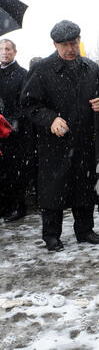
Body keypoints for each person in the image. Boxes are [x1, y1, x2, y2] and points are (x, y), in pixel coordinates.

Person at [21, 20, 99, 252]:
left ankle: (85, 230)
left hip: (85, 140)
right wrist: (50, 119)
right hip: (55, 143)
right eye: (65, 45)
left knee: (85, 186)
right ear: (54, 44)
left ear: (80, 41)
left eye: (74, 43)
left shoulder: (91, 68)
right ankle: (51, 235)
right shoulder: (41, 70)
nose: (71, 49)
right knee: (53, 189)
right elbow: (29, 105)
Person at [0, 39, 30, 221]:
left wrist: (11, 120)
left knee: (15, 171)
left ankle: (18, 206)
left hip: (15, 131)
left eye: (8, 49)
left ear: (15, 52)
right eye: (1, 49)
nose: (4, 52)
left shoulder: (22, 74)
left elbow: (26, 103)